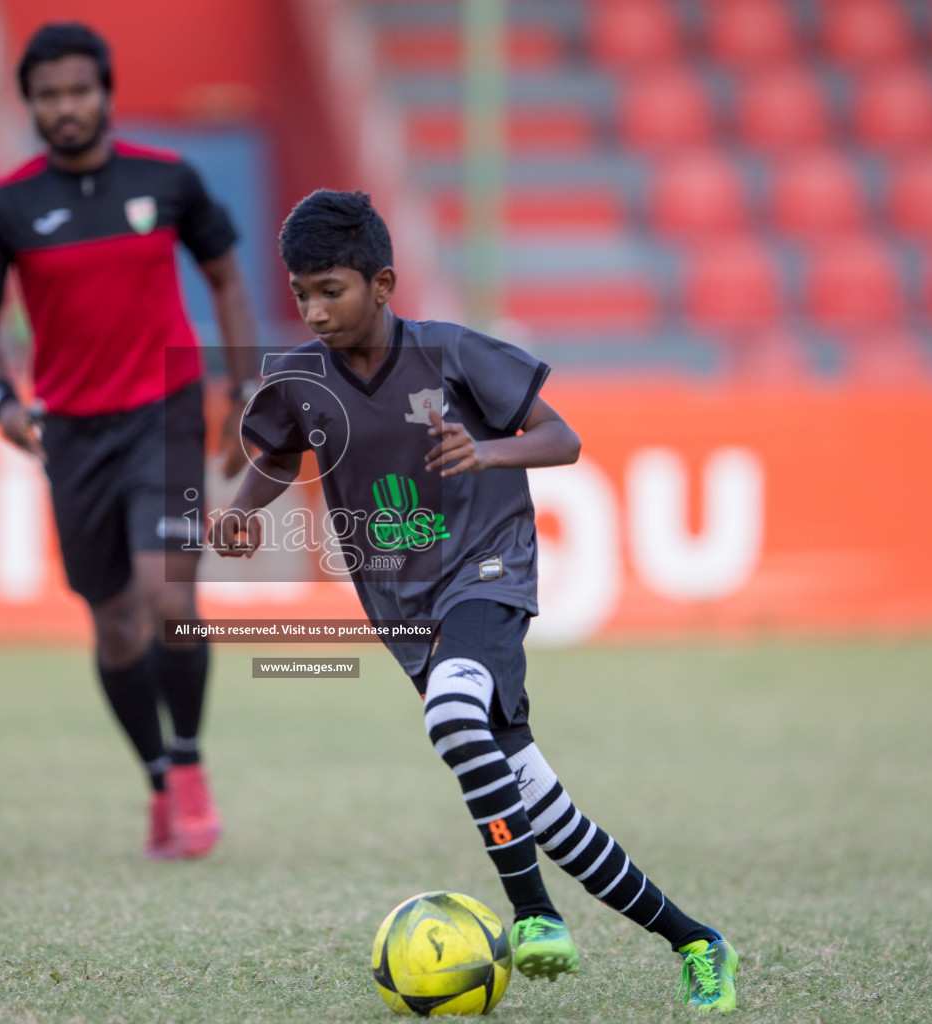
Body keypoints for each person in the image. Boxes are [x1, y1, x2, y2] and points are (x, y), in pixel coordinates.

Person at [211, 190, 740, 1010]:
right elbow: (281, 453)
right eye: (301, 293)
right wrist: (241, 517)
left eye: (332, 290)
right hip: (402, 608)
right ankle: (697, 941)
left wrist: (487, 451)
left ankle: (532, 916)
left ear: (382, 284)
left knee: (453, 719)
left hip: (488, 571)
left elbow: (561, 439)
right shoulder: (298, 379)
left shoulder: (453, 353)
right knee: (540, 803)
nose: (314, 311)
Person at [0, 22, 259, 860]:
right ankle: (159, 779)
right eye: (48, 95)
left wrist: (242, 391)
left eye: (78, 91)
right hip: (72, 431)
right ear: (30, 105)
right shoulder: (6, 205)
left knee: (170, 599)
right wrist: (0, 401)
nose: (65, 108)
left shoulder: (169, 181)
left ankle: (195, 771)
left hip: (164, 412)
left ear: (106, 94)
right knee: (116, 628)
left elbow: (230, 278)